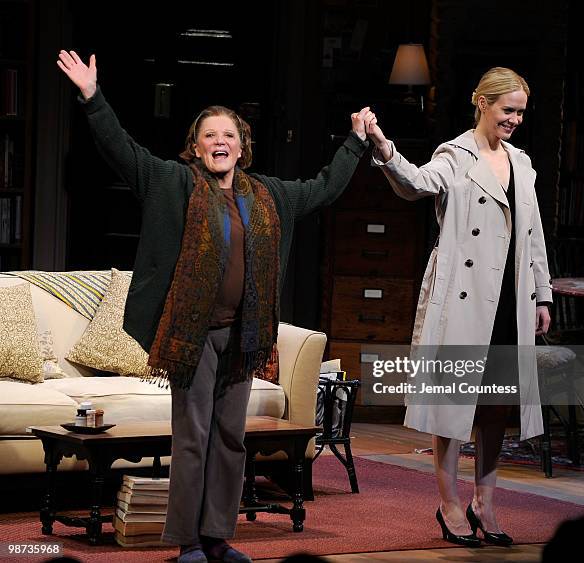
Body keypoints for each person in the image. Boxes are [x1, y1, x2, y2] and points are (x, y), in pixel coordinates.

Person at [57, 49, 372, 563]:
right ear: (195, 147)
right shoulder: (176, 184)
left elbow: (323, 189)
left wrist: (356, 143)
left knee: (231, 440)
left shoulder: (269, 196)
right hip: (192, 337)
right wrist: (92, 97)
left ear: (243, 146)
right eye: (210, 135)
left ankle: (218, 538)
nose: (219, 142)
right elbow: (123, 151)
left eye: (229, 135)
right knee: (193, 439)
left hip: (243, 337)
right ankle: (187, 544)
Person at [364, 67, 553, 547]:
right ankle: (448, 502)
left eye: (520, 112)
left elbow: (533, 236)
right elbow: (416, 183)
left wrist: (543, 292)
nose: (514, 120)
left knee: (495, 405)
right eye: (508, 110)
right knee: (451, 404)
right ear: (482, 103)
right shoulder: (456, 155)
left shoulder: (523, 164)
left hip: (509, 299)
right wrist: (385, 150)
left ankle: (485, 501)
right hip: (466, 297)